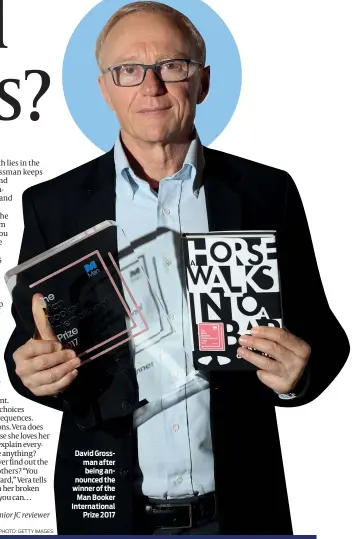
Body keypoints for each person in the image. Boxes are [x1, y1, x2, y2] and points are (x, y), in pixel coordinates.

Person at [4, 1, 349, 535]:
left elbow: (324, 336)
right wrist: (31, 374)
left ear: (203, 81)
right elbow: (31, 343)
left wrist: (297, 377)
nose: (151, 86)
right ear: (104, 89)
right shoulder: (53, 206)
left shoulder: (266, 192)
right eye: (128, 70)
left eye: (172, 65)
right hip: (106, 509)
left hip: (240, 506)